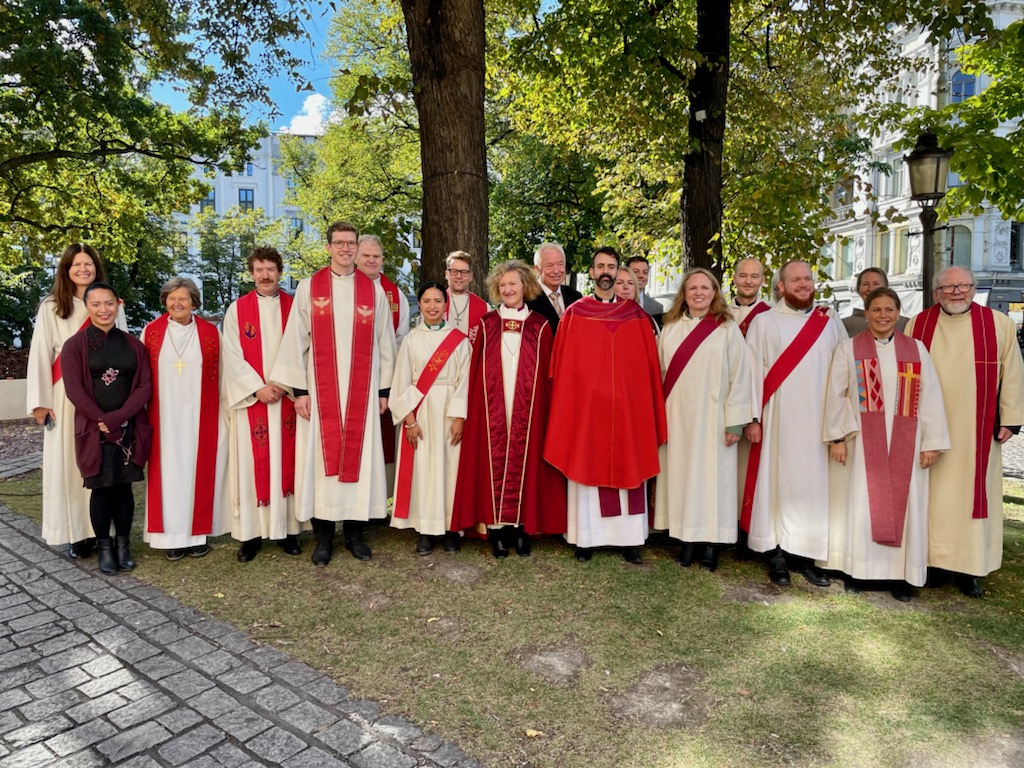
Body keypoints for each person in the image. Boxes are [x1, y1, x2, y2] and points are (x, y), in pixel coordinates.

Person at [270, 221, 397, 565]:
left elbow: (385, 342)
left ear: (356, 247)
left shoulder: (373, 292)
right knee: (319, 465)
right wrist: (300, 391)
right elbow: (295, 340)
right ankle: (323, 539)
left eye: (350, 243)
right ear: (328, 247)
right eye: (339, 243)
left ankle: (355, 536)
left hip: (363, 394)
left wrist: (384, 391)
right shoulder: (310, 288)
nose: (345, 248)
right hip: (319, 394)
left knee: (360, 462)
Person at [823, 288, 949, 600]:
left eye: (889, 309)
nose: (883, 315)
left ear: (898, 312)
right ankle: (859, 570)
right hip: (861, 444)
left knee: (905, 507)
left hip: (907, 443)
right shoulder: (848, 348)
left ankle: (901, 575)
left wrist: (931, 443)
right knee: (861, 506)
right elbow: (835, 395)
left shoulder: (916, 349)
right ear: (866, 313)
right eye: (876, 309)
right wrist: (837, 438)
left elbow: (931, 396)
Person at [905, 267, 1024, 597]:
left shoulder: (998, 324)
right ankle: (933, 562)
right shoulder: (919, 324)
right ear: (936, 293)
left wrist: (1011, 418)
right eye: (949, 287)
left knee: (973, 494)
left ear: (973, 288)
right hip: (930, 428)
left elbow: (1013, 373)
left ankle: (969, 568)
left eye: (963, 286)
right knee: (933, 496)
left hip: (976, 428)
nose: (957, 292)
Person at [545, 247, 667, 563]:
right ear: (591, 271)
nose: (605, 272)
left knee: (629, 464)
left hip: (627, 412)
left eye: (611, 266)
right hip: (587, 411)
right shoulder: (575, 314)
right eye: (600, 266)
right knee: (586, 464)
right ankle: (586, 539)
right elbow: (562, 369)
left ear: (617, 271)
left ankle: (629, 540)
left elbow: (648, 370)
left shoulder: (636, 316)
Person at [741, 260, 847, 587]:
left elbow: (844, 370)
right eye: (796, 280)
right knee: (776, 484)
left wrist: (840, 425)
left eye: (807, 279)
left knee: (812, 488)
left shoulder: (829, 321)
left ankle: (805, 555)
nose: (803, 285)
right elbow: (751, 372)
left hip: (819, 420)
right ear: (781, 286)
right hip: (778, 420)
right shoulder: (764, 322)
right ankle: (776, 554)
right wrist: (753, 418)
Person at [452, 261, 567, 557]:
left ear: (525, 286)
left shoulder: (540, 326)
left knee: (527, 460)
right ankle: (498, 530)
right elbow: (475, 372)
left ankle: (522, 529)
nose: (507, 289)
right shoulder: (487, 324)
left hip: (529, 409)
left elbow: (549, 376)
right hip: (493, 407)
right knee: (493, 462)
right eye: (502, 285)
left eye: (512, 284)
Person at [27, 243, 127, 557]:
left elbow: (124, 351)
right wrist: (41, 401)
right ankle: (77, 533)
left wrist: (122, 403)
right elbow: (41, 354)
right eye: (76, 265)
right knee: (70, 464)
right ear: (66, 269)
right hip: (64, 395)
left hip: (105, 395)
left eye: (88, 264)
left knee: (103, 463)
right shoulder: (51, 307)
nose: (83, 269)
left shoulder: (111, 304)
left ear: (96, 267)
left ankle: (104, 533)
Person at [653, 269, 752, 571]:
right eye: (693, 288)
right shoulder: (670, 328)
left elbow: (740, 377)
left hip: (715, 419)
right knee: (682, 477)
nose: (699, 293)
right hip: (678, 417)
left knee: (713, 481)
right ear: (684, 294)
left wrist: (735, 422)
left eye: (705, 288)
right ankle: (686, 540)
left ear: (714, 293)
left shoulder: (727, 329)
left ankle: (710, 544)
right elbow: (659, 374)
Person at [60, 282, 152, 574]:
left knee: (124, 488)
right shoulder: (75, 346)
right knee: (100, 488)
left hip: (128, 428)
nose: (104, 310)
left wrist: (118, 418)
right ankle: (104, 547)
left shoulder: (133, 345)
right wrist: (101, 419)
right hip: (93, 429)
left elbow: (144, 386)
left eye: (109, 303)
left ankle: (123, 545)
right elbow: (74, 389)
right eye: (96, 304)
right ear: (87, 307)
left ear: (118, 305)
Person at [222, 247, 303, 562]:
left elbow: (304, 349)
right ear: (252, 273)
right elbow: (231, 355)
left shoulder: (295, 308)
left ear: (280, 272)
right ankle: (251, 535)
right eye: (259, 269)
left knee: (290, 463)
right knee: (250, 467)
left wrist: (282, 385)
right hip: (253, 401)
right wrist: (257, 388)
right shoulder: (237, 310)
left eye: (271, 269)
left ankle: (290, 531)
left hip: (287, 401)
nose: (265, 275)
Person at [142, 277, 229, 560]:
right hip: (163, 417)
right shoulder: (151, 333)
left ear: (194, 301)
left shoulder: (210, 333)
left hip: (200, 416)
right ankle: (170, 538)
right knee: (168, 475)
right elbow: (141, 377)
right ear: (165, 301)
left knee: (196, 473)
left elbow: (225, 375)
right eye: (172, 298)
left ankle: (197, 535)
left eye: (183, 298)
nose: (177, 303)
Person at [390, 282, 472, 554]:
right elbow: (401, 382)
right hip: (420, 412)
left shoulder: (459, 340)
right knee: (424, 470)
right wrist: (409, 421)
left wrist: (459, 417)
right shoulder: (411, 339)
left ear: (445, 304)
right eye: (426, 301)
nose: (432, 306)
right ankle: (425, 529)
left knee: (450, 469)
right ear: (420, 304)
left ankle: (451, 528)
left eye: (437, 300)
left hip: (450, 412)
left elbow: (466, 381)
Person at [356, 234, 411, 494]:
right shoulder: (343, 289)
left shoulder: (395, 295)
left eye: (376, 256)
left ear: (383, 260)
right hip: (349, 381)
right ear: (356, 257)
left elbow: (401, 341)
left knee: (382, 440)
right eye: (366, 255)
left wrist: (389, 383)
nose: (371, 260)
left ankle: (380, 497)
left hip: (383, 382)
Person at [525, 242, 583, 335]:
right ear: (537, 269)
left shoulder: (575, 297)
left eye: (560, 264)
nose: (556, 271)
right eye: (549, 266)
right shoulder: (527, 299)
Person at [843, 267, 909, 337]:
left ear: (886, 287)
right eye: (865, 284)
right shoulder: (844, 324)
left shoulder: (905, 324)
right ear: (858, 289)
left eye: (876, 284)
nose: (871, 289)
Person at [443, 250, 488, 344]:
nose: (459, 276)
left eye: (464, 272)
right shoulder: (435, 303)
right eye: (454, 271)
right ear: (446, 274)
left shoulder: (485, 308)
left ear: (471, 276)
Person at [729, 258, 771, 338]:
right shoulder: (721, 314)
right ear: (734, 278)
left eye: (754, 277)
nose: (748, 281)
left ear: (762, 280)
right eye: (743, 276)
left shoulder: (770, 315)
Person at [626, 255, 664, 327]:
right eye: (635, 272)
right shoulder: (613, 302)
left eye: (645, 272)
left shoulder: (656, 308)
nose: (641, 275)